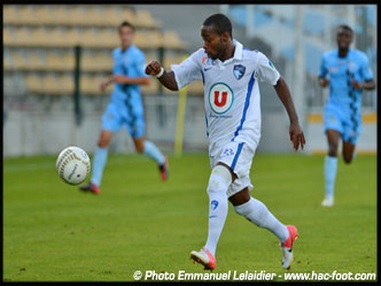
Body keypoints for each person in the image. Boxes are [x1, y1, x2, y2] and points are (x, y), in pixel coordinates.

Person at [145, 13, 305, 270]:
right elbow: (176, 81)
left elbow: (279, 82)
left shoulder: (252, 59)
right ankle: (286, 234)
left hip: (244, 135)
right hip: (218, 143)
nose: (204, 45)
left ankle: (210, 250)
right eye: (203, 40)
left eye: (208, 40)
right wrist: (160, 72)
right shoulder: (203, 58)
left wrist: (294, 121)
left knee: (216, 182)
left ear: (225, 37)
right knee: (242, 203)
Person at [80, 21, 169, 194]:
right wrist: (108, 81)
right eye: (122, 33)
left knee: (140, 147)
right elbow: (119, 74)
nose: (125, 36)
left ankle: (161, 160)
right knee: (103, 139)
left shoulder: (137, 56)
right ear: (119, 35)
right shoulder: (117, 53)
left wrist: (124, 80)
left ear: (132, 35)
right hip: (117, 105)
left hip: (132, 107)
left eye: (128, 33)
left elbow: (146, 80)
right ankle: (95, 183)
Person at [318, 25, 375, 207]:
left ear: (351, 39)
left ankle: (350, 147)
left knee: (348, 158)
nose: (343, 38)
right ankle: (329, 196)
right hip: (334, 108)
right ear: (337, 38)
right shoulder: (327, 58)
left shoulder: (360, 59)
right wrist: (323, 81)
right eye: (340, 35)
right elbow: (320, 78)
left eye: (347, 36)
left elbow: (372, 83)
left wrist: (361, 86)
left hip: (352, 112)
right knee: (333, 146)